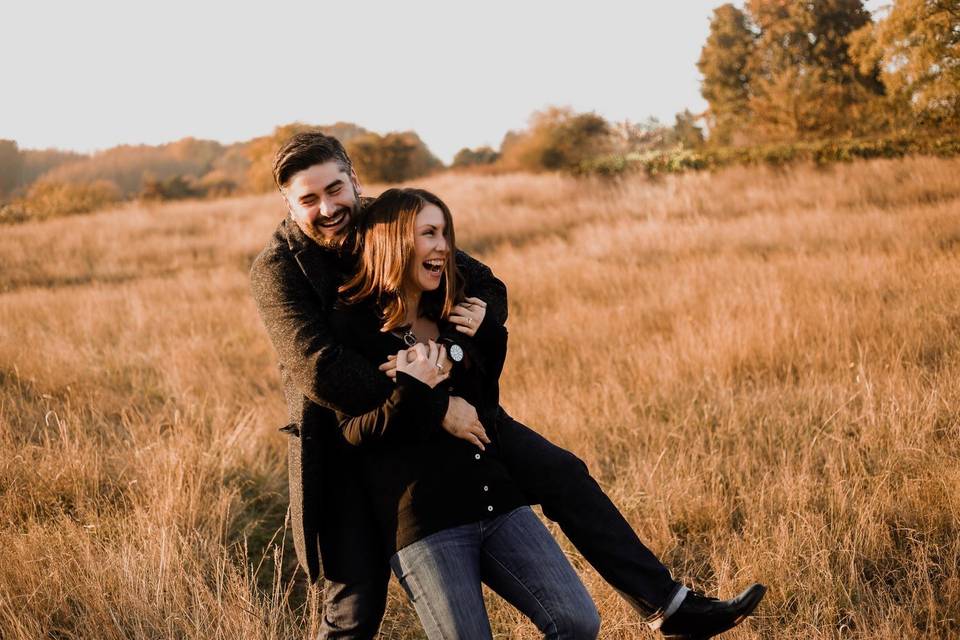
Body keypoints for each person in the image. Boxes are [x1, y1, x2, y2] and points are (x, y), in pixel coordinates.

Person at [249, 131, 766, 639]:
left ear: (353, 179)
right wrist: (435, 407)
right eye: (309, 200)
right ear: (288, 204)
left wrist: (465, 335)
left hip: (442, 395)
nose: (328, 208)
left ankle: (668, 606)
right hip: (350, 433)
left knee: (562, 472)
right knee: (355, 603)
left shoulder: (392, 218)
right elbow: (321, 371)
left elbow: (483, 284)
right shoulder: (279, 267)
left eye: (335, 189)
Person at [327, 187, 601, 638]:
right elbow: (353, 434)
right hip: (426, 519)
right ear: (395, 240)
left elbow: (485, 398)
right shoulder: (353, 324)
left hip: (494, 496)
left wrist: (488, 334)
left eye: (445, 233)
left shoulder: (451, 306)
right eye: (429, 234)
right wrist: (414, 392)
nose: (443, 246)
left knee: (576, 620)